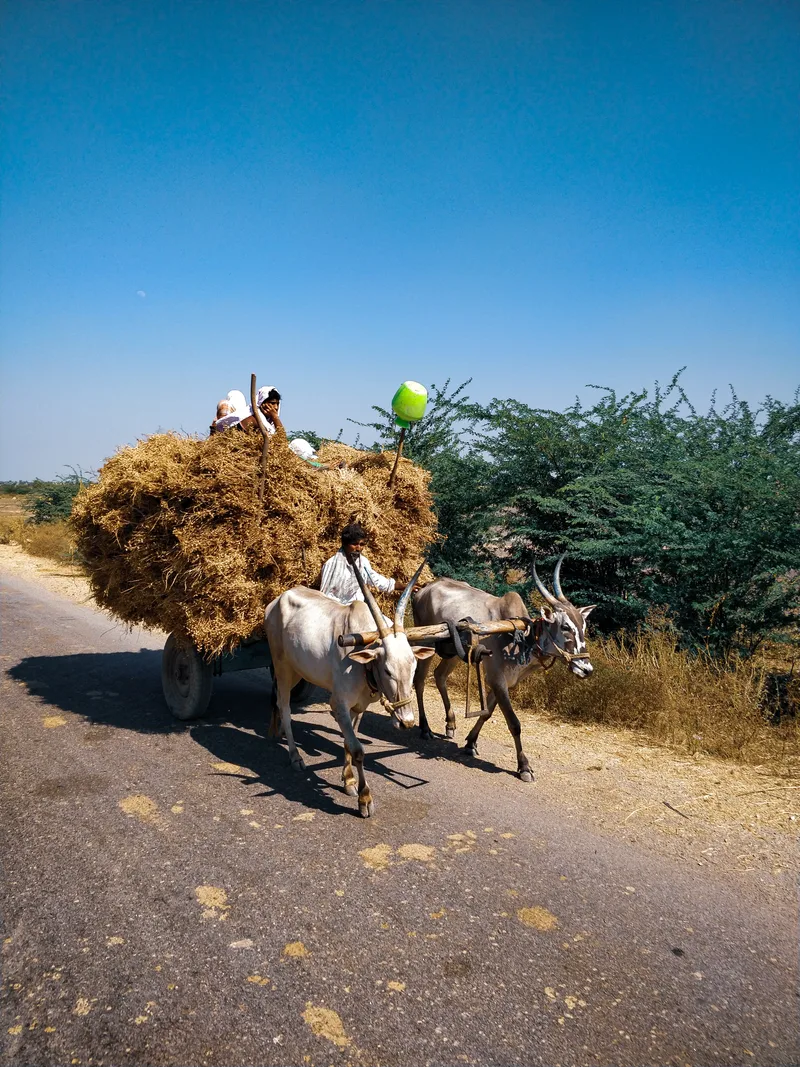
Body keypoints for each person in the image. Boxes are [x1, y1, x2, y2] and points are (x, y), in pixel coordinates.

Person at [320, 523, 396, 607]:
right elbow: (324, 595)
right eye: (354, 544)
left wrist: (403, 586)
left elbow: (376, 580)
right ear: (345, 544)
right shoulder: (331, 564)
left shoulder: (363, 562)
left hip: (356, 609)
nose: (359, 548)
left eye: (362, 544)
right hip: (336, 610)